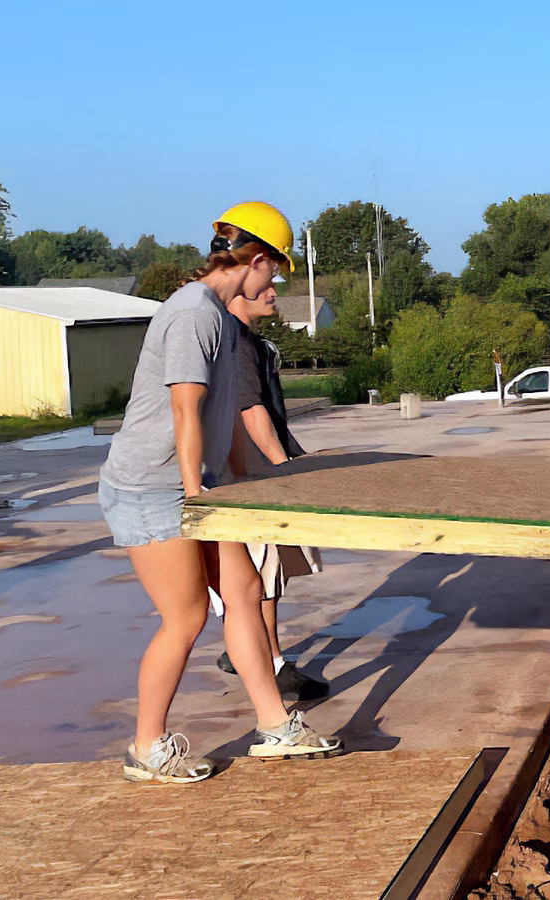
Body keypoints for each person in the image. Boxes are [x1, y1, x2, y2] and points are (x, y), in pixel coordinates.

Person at [98, 201, 342, 784]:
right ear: (255, 261)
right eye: (275, 273)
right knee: (183, 619)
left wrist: (256, 482)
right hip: (153, 488)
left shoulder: (225, 323)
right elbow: (185, 408)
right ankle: (147, 746)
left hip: (195, 486)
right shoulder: (193, 316)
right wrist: (195, 493)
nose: (274, 285)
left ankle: (275, 726)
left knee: (247, 589)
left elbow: (226, 418)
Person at [211, 280, 328, 701]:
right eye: (266, 286)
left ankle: (244, 650)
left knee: (261, 575)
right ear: (239, 289)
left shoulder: (242, 339)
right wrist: (282, 470)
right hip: (248, 477)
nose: (274, 293)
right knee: (264, 576)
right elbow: (251, 410)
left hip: (246, 472)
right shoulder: (234, 342)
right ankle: (271, 663)